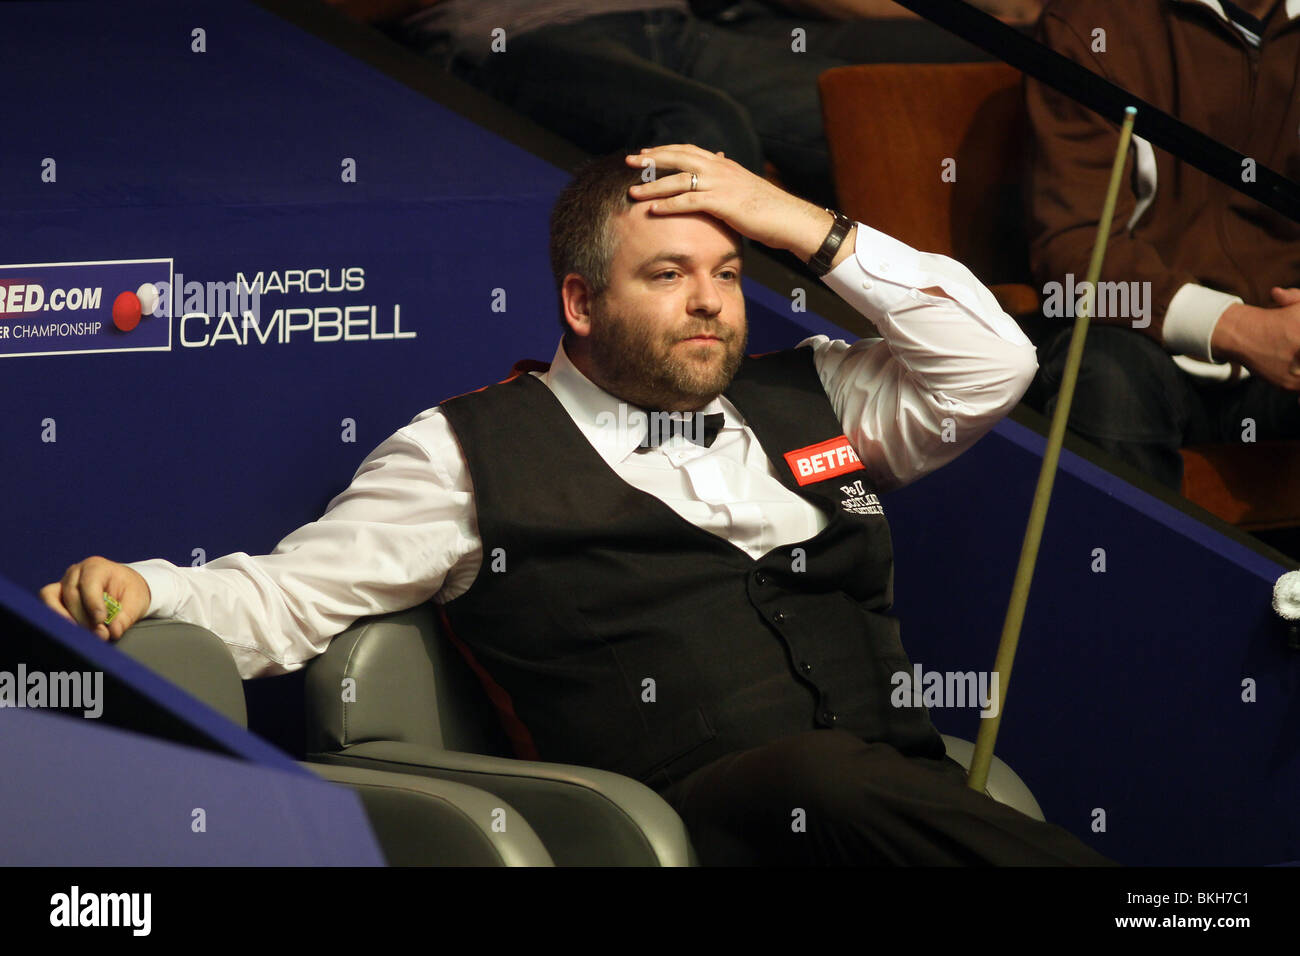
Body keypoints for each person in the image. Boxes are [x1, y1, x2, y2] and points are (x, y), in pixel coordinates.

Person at [41, 144, 1111, 865]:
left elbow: (989, 363)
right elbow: (286, 597)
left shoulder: (816, 391)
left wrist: (798, 221)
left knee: (851, 782)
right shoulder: (466, 453)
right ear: (581, 301)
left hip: (881, 811)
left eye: (730, 271)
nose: (708, 299)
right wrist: (152, 586)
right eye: (667, 274)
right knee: (823, 776)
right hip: (677, 823)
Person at [1026, 0, 1300, 490]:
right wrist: (1238, 328)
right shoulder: (1094, 23)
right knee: (1106, 380)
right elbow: (1071, 258)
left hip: (1288, 344)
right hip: (1144, 341)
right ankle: (1118, 568)